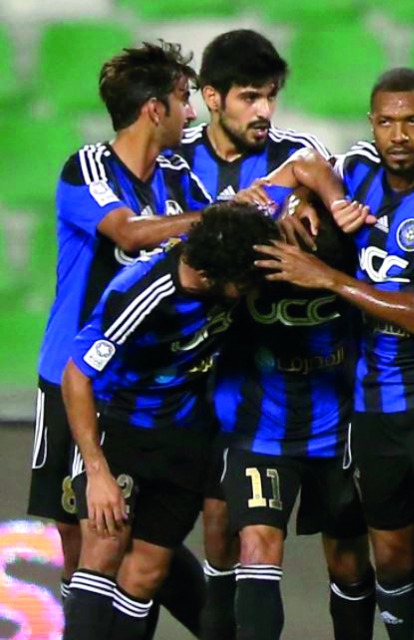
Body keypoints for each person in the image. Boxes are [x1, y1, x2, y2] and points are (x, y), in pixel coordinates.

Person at [255, 67, 414, 640]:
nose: (399, 135)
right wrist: (305, 201)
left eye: (412, 121)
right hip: (376, 396)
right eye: (386, 122)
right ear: (372, 124)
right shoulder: (359, 168)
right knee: (389, 559)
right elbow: (302, 165)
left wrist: (329, 279)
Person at [167, 29, 349, 638]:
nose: (264, 110)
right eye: (250, 97)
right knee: (201, 536)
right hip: (185, 373)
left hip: (255, 376)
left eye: (270, 96)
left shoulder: (299, 156)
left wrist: (317, 207)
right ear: (211, 97)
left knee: (237, 528)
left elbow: (330, 208)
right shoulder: (173, 163)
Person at [29, 40, 211, 637]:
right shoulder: (87, 168)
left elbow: (217, 246)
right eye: (184, 98)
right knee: (80, 540)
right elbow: (128, 233)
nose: (192, 112)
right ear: (155, 109)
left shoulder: (179, 177)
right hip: (73, 376)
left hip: (141, 389)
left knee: (128, 541)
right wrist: (220, 219)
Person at [62, 204, 280, 640]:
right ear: (212, 277)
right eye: (245, 281)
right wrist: (97, 472)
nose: (252, 288)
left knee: (147, 572)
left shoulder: (229, 255)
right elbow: (76, 375)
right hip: (121, 428)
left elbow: (290, 180)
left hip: (186, 434)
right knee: (103, 550)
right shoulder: (141, 293)